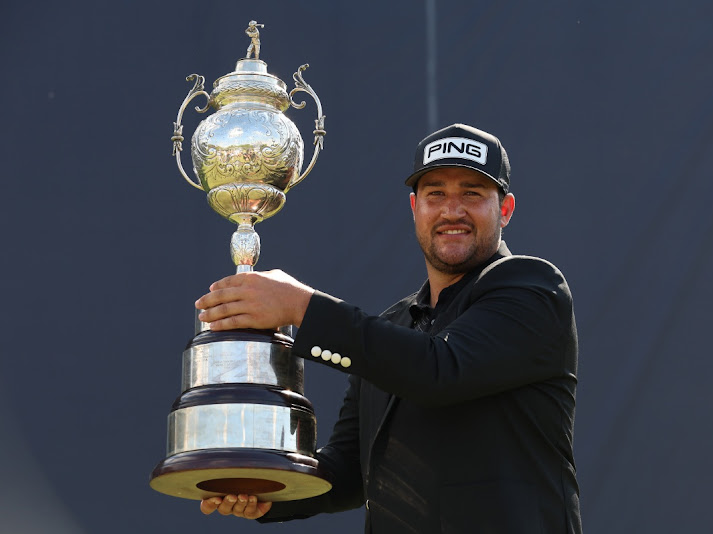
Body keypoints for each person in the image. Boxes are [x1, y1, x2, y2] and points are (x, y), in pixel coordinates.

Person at [195, 124, 582, 533]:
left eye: (472, 192)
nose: (453, 210)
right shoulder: (391, 327)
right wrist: (266, 485)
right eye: (436, 194)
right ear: (415, 208)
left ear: (504, 209)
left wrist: (303, 307)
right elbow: (347, 469)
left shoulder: (532, 288)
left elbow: (439, 371)